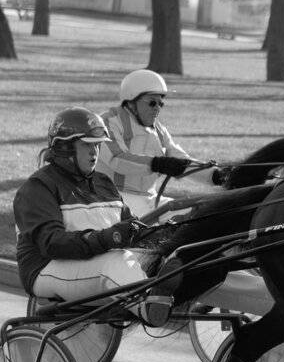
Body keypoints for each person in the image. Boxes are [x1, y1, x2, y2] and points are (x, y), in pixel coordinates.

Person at [14, 107, 175, 326]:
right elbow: (52, 243)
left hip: (92, 262)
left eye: (97, 145)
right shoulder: (38, 187)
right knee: (115, 261)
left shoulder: (103, 183)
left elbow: (130, 228)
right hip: (46, 269)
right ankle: (147, 306)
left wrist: (165, 235)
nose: (95, 152)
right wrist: (109, 238)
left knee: (166, 254)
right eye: (87, 145)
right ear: (65, 147)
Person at [96, 69, 196, 216]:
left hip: (150, 198)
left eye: (161, 104)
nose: (157, 109)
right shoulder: (107, 122)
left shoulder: (158, 129)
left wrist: (216, 175)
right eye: (152, 103)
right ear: (131, 102)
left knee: (196, 213)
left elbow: (181, 159)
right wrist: (156, 164)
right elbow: (117, 158)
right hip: (114, 197)